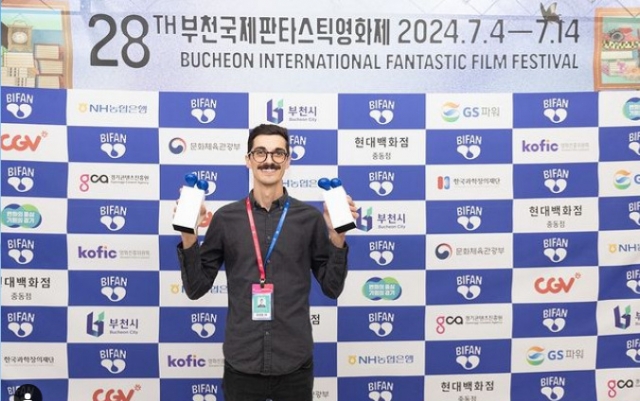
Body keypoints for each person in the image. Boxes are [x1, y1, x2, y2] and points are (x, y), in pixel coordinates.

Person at [176, 123, 358, 401]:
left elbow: (332, 287)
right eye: (260, 152)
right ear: (248, 160)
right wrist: (189, 235)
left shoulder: (309, 219)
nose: (269, 160)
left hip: (294, 364)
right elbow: (196, 288)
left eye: (278, 153)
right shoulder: (226, 219)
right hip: (242, 363)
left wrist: (337, 236)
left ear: (288, 161)